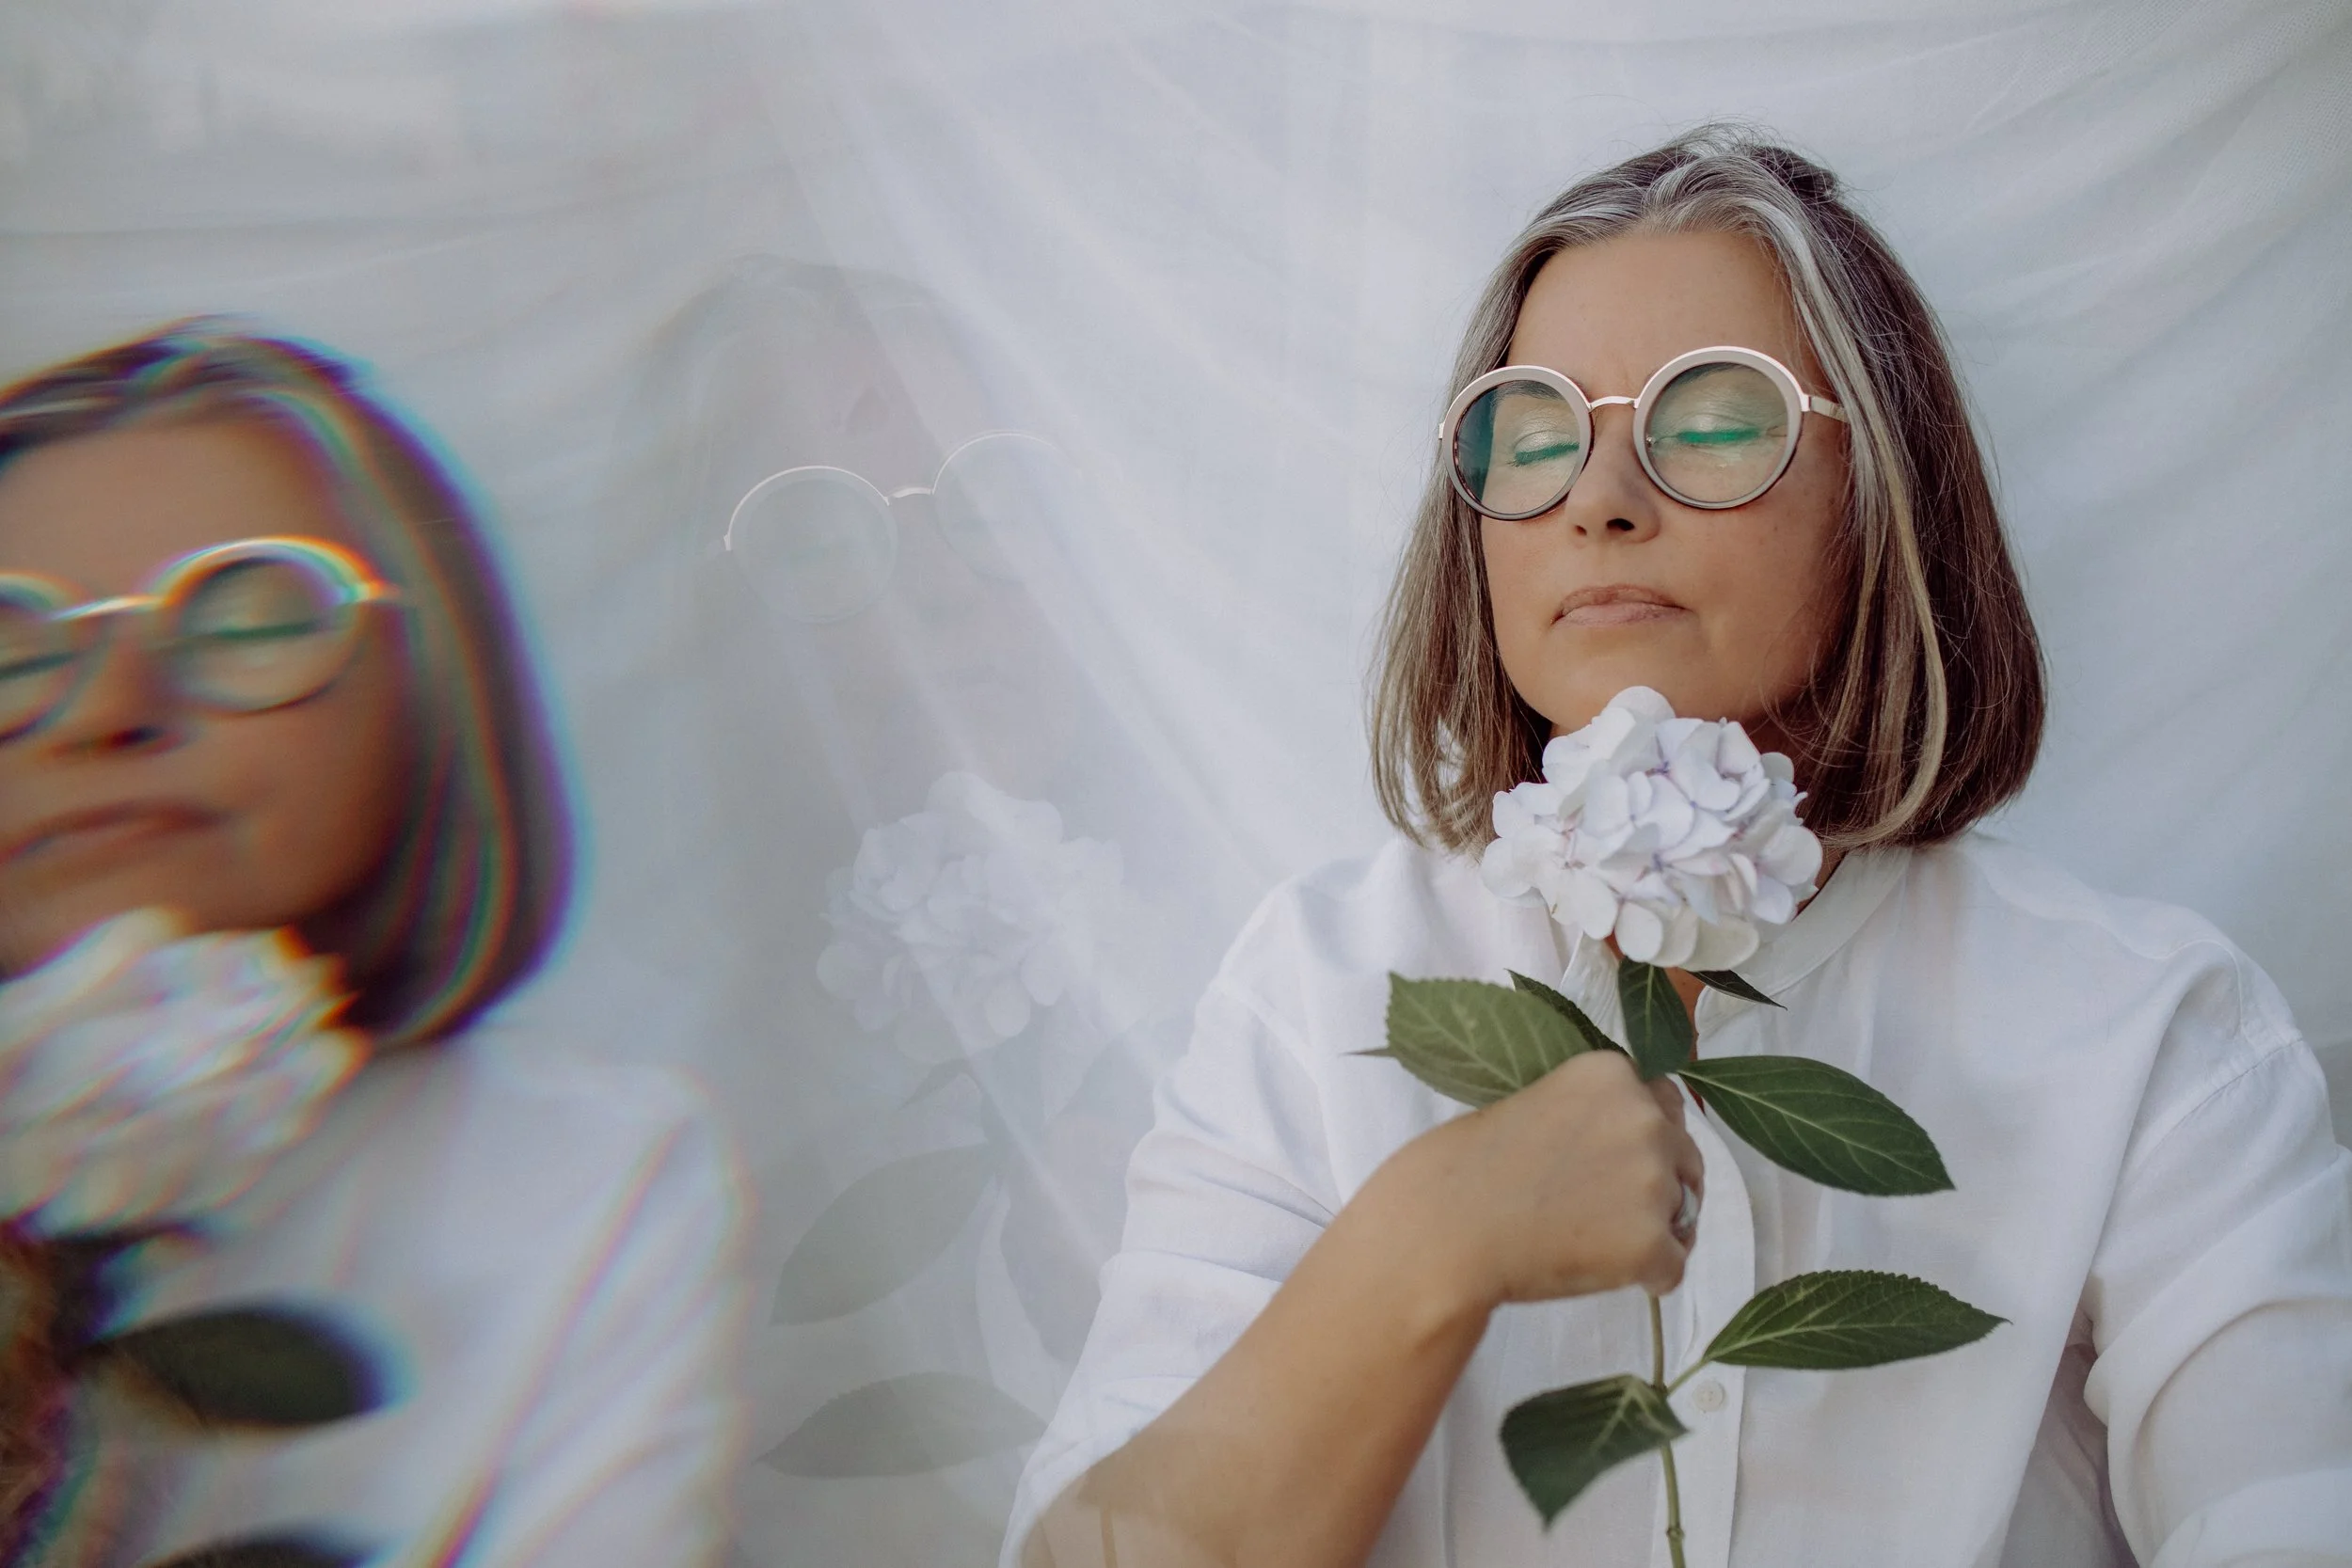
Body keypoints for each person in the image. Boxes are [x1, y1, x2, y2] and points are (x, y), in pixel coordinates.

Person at [1008, 128, 2352, 1568]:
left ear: (1885, 495)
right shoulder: (1315, 985)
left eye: (1713, 423)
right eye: (1531, 434)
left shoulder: (2152, 1038)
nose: (1598, 497)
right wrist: (1420, 1247)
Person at [0, 323, 752, 1566]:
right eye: (16, 647)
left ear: (433, 688)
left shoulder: (583, 1167)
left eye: (244, 623)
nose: (110, 709)